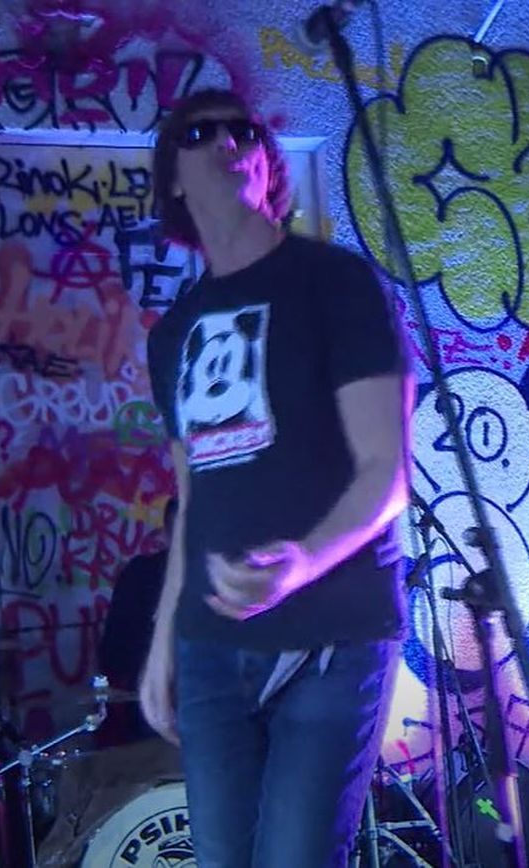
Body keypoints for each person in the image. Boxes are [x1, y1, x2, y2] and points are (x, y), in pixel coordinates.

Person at [137, 87, 412, 867]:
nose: (227, 142)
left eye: (243, 131)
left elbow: (388, 472)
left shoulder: (336, 283)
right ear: (173, 178)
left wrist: (301, 563)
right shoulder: (172, 334)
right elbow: (192, 500)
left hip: (331, 635)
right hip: (212, 650)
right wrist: (163, 642)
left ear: (265, 164)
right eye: (199, 133)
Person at [95, 497, 176, 746]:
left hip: (150, 697)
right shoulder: (142, 575)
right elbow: (115, 646)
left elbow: (112, 647)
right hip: (153, 698)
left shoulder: (139, 572)